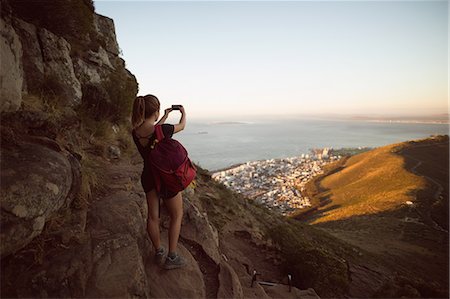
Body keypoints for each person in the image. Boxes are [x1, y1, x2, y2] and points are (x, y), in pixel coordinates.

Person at [130, 94, 187, 270]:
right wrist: (183, 112)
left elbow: (155, 129)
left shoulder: (136, 131)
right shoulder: (163, 131)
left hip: (148, 176)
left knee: (152, 216)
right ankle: (172, 256)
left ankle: (158, 251)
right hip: (165, 177)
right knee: (176, 215)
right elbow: (182, 126)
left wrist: (165, 115)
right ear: (155, 111)